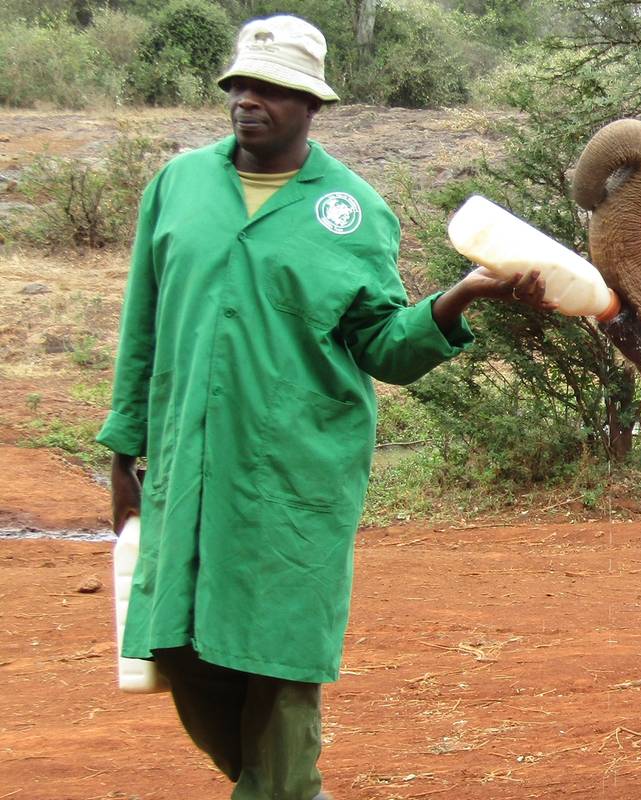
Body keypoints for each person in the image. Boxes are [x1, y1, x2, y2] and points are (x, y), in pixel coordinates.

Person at [96, 15, 554, 800]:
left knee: (277, 667)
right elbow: (143, 323)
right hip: (186, 464)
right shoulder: (178, 186)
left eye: (273, 89)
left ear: (313, 105)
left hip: (291, 476)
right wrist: (122, 454)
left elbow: (382, 345)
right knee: (180, 652)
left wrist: (459, 298)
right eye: (241, 83)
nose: (250, 100)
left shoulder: (353, 208)